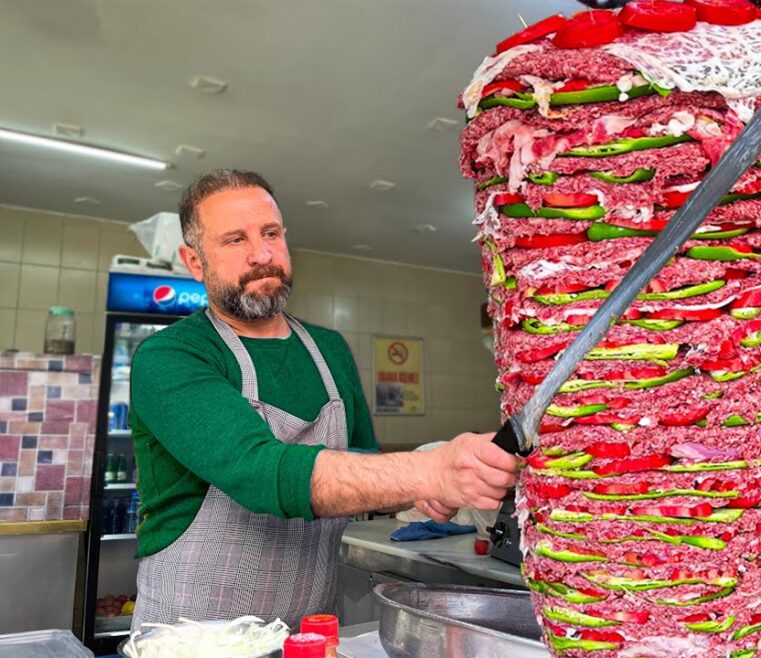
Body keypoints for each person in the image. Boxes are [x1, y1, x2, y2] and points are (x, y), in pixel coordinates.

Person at [128, 169, 519, 630]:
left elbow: (360, 463)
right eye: (235, 240)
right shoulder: (170, 355)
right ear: (195, 262)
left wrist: (424, 487)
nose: (262, 254)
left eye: (270, 233)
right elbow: (260, 471)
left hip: (307, 634)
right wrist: (428, 471)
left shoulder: (328, 350)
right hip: (192, 636)